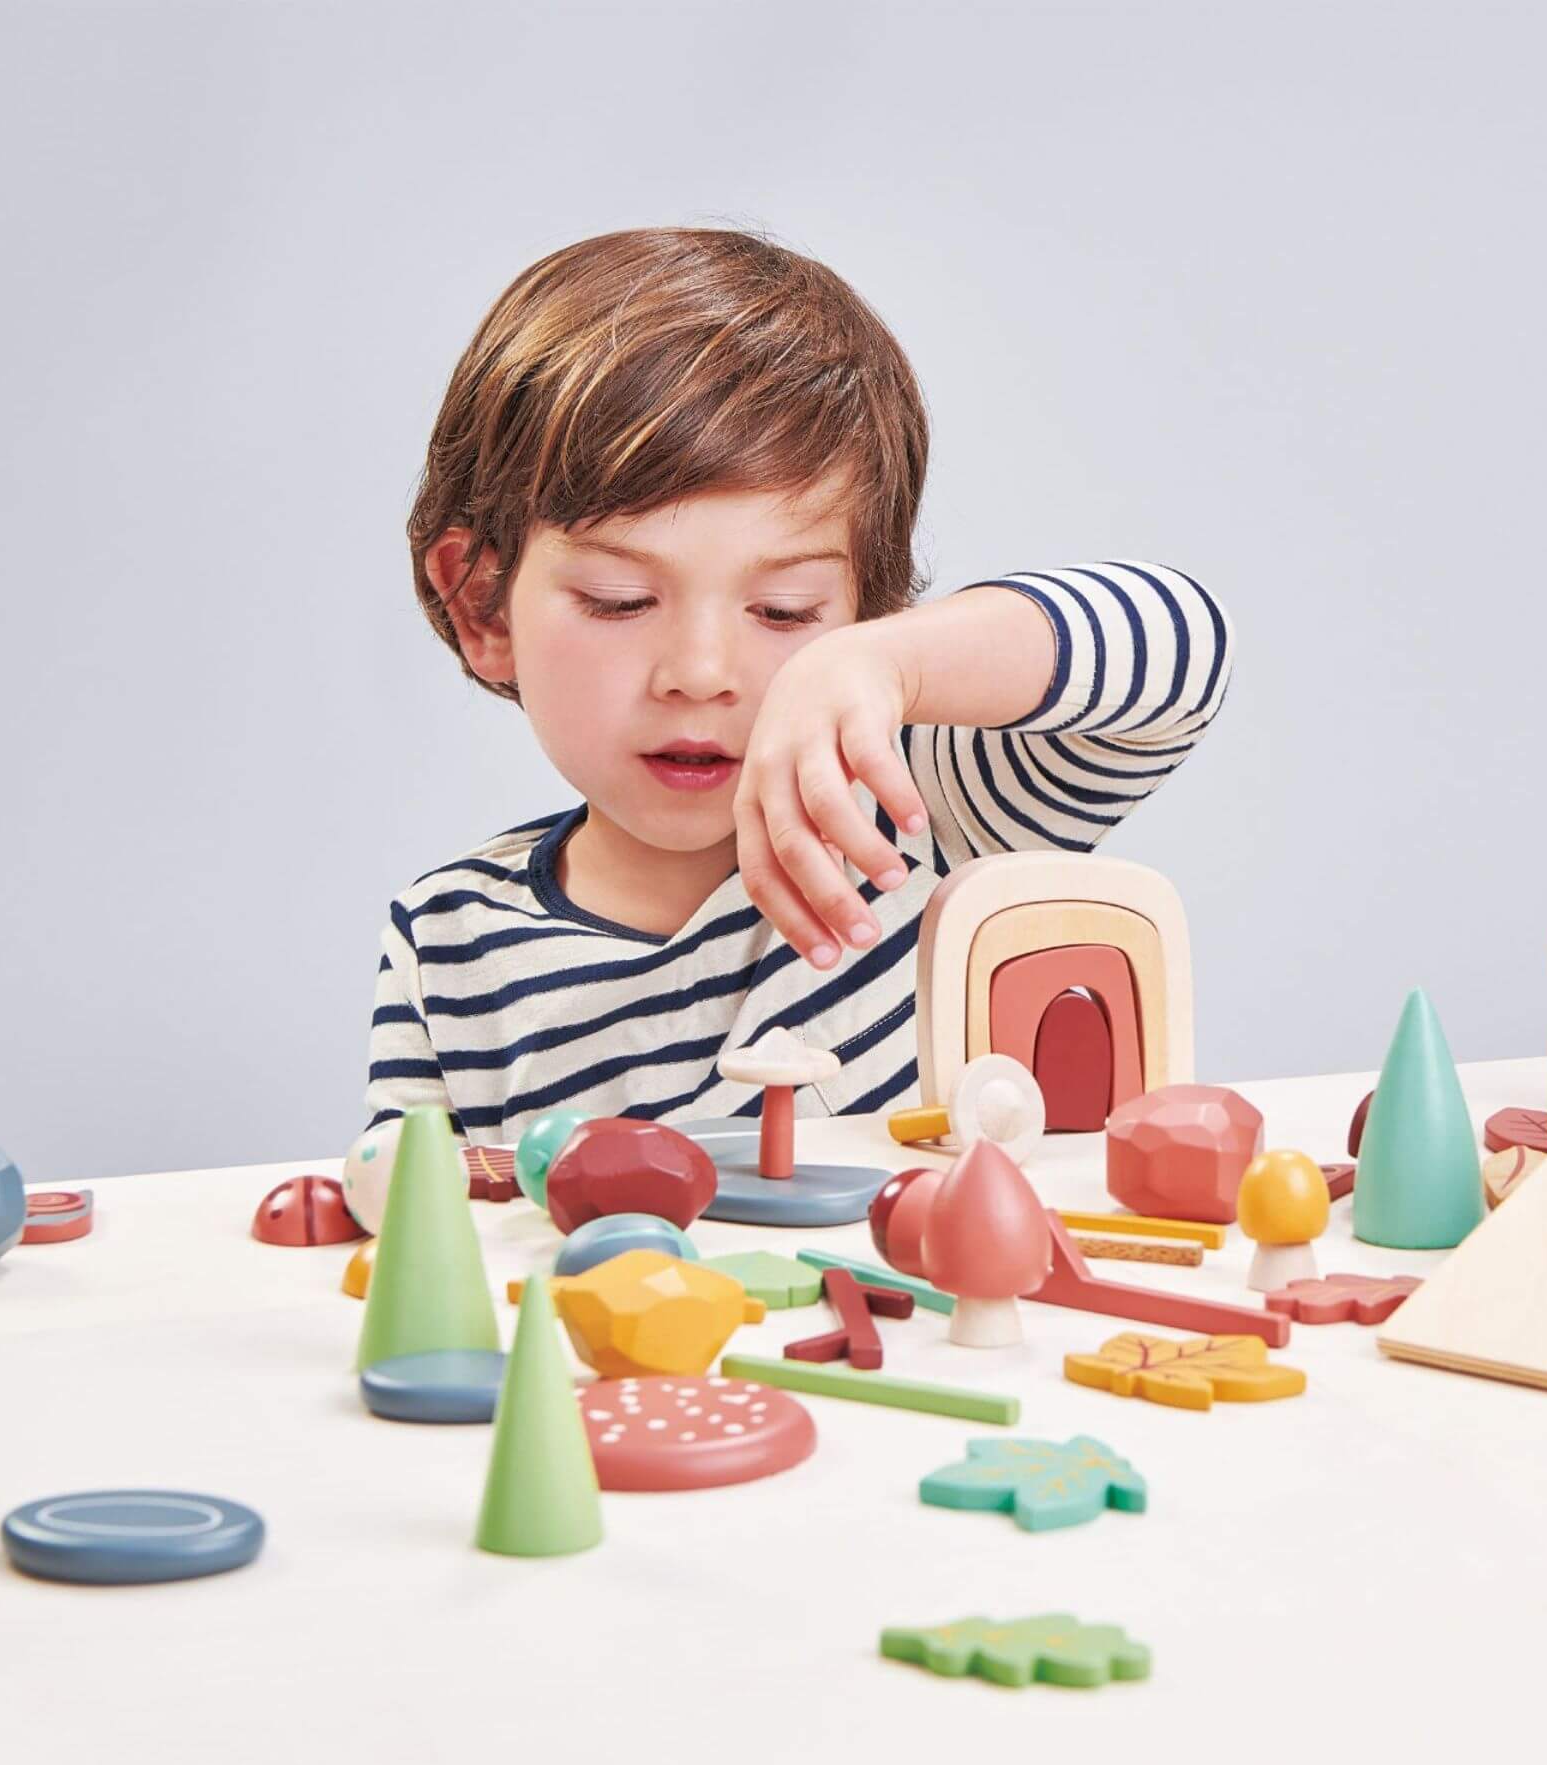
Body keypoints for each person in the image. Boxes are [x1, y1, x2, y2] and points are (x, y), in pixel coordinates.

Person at [365, 226, 1232, 1145]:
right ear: (483, 607)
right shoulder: (448, 940)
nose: (700, 675)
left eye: (783, 612)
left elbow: (1180, 642)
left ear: (868, 608)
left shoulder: (921, 815)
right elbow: (419, 1245)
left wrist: (887, 666)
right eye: (620, 601)